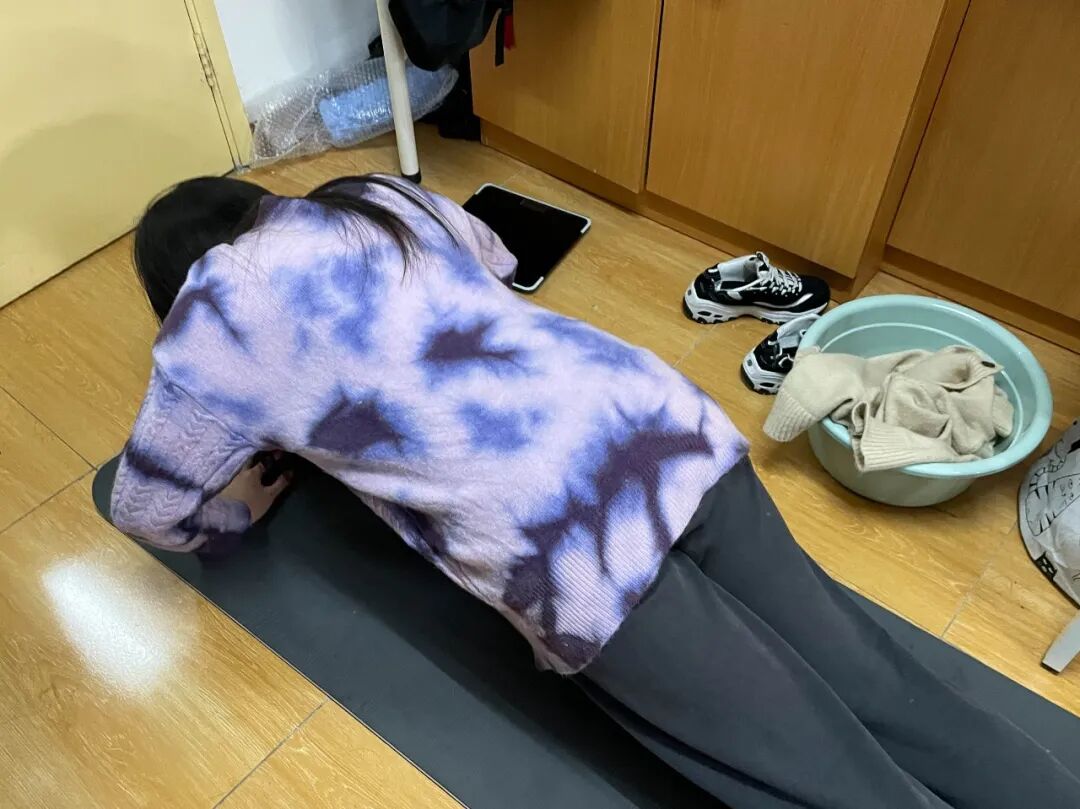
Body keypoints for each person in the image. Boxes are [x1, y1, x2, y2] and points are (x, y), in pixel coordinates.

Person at [113, 174, 1078, 808]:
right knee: (881, 682)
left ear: (175, 285)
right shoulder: (368, 197)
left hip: (574, 548)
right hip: (662, 428)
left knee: (826, 775)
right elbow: (496, 260)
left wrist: (243, 510)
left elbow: (148, 508)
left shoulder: (210, 318)